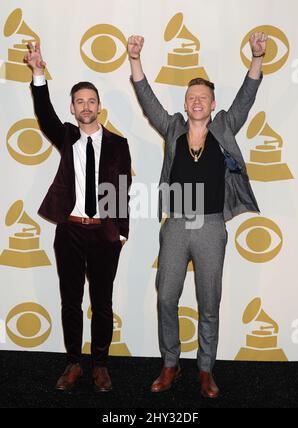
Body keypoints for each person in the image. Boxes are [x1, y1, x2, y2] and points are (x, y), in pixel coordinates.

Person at [128, 32, 267, 398]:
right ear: (186, 103)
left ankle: (206, 370)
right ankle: (170, 364)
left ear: (211, 102)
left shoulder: (224, 126)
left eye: (203, 97)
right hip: (175, 224)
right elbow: (148, 101)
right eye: (191, 97)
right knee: (165, 298)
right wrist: (136, 59)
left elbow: (245, 99)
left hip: (210, 226)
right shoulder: (172, 126)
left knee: (209, 302)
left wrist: (256, 57)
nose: (196, 102)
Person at [25, 43, 131, 392]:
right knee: (70, 301)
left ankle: (99, 365)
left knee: (102, 303)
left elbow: (123, 189)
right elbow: (43, 113)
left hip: (104, 233)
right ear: (72, 109)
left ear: (99, 106)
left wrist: (122, 233)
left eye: (91, 101)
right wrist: (38, 72)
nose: (86, 106)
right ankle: (73, 363)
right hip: (69, 231)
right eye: (79, 102)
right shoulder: (67, 136)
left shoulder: (119, 143)